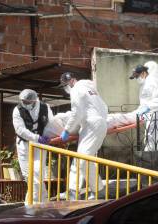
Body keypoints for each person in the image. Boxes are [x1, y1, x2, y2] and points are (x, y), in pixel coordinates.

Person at [59, 72, 108, 200]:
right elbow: (104, 107)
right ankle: (81, 190)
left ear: (70, 82)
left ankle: (94, 190)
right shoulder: (90, 88)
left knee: (83, 159)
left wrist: (67, 130)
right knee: (81, 159)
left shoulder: (76, 90)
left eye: (65, 86)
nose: (66, 89)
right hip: (96, 124)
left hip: (92, 125)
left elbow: (76, 113)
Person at [12, 89, 53, 204]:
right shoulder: (17, 110)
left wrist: (48, 136)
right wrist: (36, 138)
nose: (24, 104)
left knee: (37, 173)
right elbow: (20, 130)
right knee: (29, 176)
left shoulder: (45, 107)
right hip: (24, 145)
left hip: (40, 145)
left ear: (34, 101)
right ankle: (42, 202)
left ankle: (31, 206)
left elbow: (51, 123)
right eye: (22, 101)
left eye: (27, 102)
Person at [129, 61, 158, 151]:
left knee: (154, 144)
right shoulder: (154, 82)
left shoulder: (155, 82)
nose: (137, 78)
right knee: (153, 143)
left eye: (138, 75)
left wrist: (147, 109)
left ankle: (150, 163)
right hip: (156, 115)